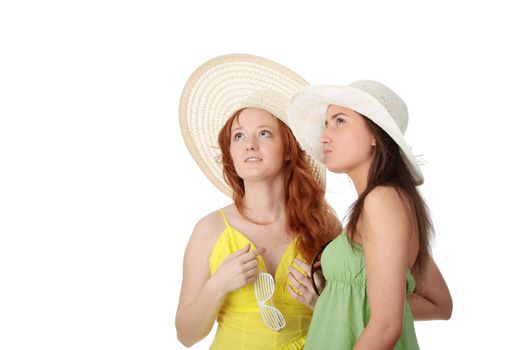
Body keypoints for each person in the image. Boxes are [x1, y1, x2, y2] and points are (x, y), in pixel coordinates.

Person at [176, 54, 341, 349]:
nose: (250, 144)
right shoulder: (209, 229)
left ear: (289, 149)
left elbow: (352, 318)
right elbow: (186, 335)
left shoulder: (324, 226)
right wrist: (217, 286)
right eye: (238, 136)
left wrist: (320, 304)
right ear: (231, 154)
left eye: (264, 133)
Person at [287, 80, 452, 349]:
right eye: (326, 124)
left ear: (376, 134)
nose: (325, 136)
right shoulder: (379, 203)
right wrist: (333, 300)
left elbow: (386, 326)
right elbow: (438, 303)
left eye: (340, 121)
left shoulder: (383, 201)